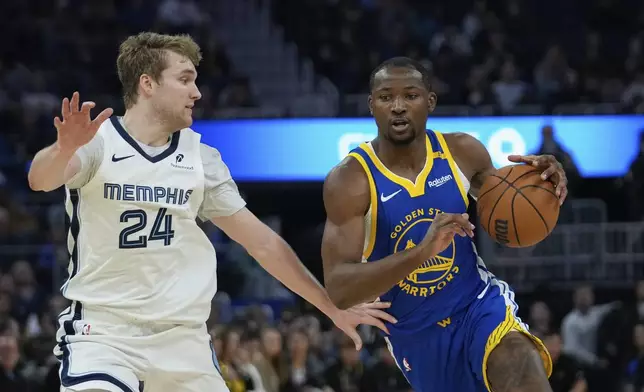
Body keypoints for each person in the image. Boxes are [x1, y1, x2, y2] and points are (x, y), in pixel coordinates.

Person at [27, 32, 394, 392]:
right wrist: (62, 149)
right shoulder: (97, 143)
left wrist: (330, 306)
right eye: (184, 79)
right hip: (104, 334)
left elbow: (263, 243)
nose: (197, 92)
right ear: (148, 84)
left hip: (183, 342)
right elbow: (40, 179)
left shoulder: (201, 160)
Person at [321, 57, 569, 392]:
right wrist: (421, 252)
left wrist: (542, 185)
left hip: (477, 305)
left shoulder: (461, 152)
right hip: (417, 334)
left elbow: (510, 211)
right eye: (385, 97)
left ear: (430, 101)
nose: (398, 107)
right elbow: (339, 288)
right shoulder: (351, 180)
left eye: (411, 95)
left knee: (519, 359)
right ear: (371, 105)